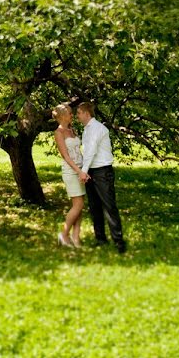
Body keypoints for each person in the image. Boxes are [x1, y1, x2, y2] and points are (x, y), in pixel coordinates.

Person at [76, 102, 126, 253]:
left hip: (102, 172)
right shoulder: (87, 129)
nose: (77, 116)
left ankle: (119, 242)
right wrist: (86, 171)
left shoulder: (97, 128)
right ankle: (100, 239)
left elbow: (91, 151)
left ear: (86, 113)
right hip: (92, 171)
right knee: (94, 207)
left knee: (109, 206)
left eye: (78, 113)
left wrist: (83, 171)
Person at [52, 103, 85, 248]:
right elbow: (66, 156)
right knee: (78, 204)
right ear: (63, 116)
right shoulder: (58, 133)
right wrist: (78, 171)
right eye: (70, 113)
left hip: (81, 169)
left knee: (79, 206)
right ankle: (64, 234)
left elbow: (79, 151)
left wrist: (84, 168)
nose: (72, 115)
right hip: (71, 171)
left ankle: (75, 237)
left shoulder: (72, 130)